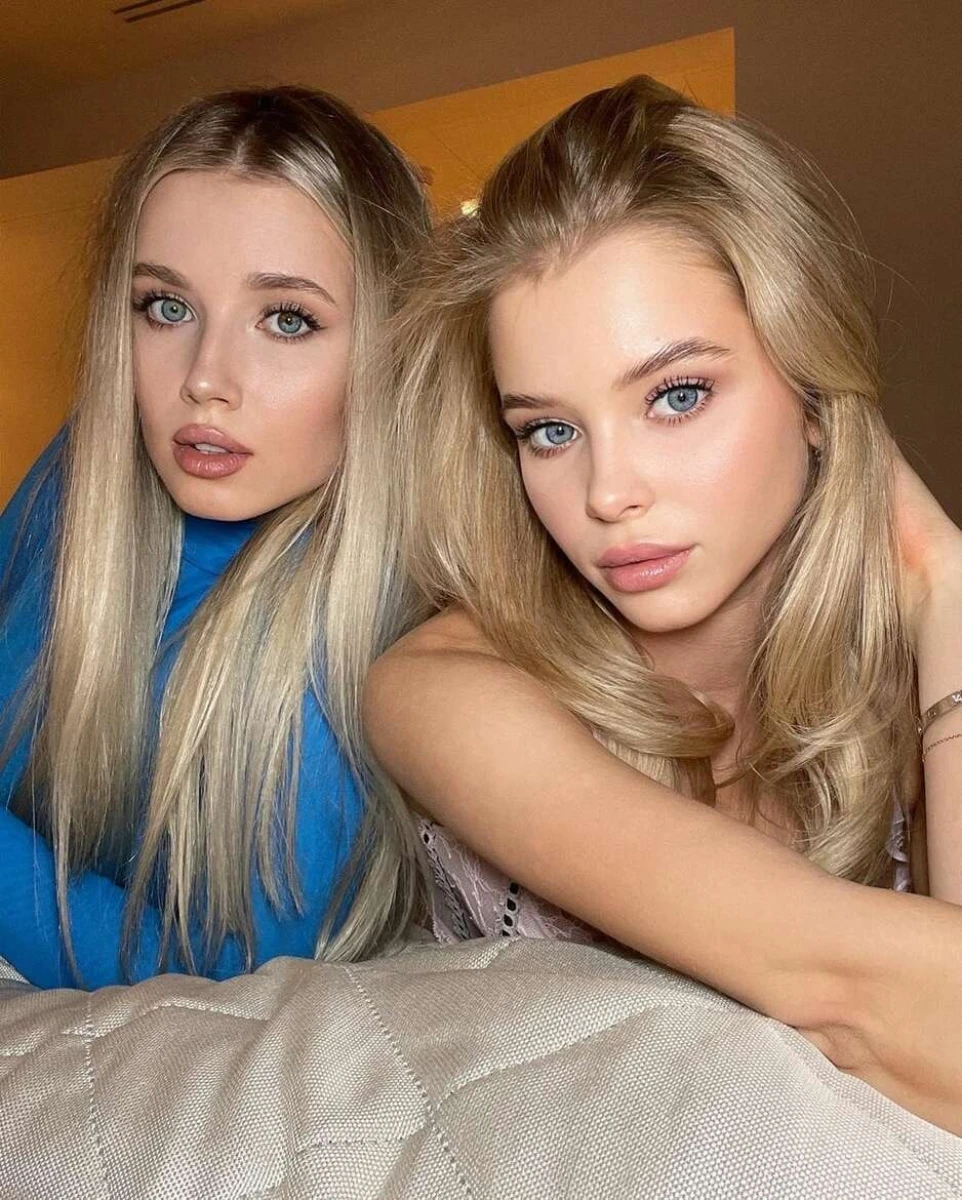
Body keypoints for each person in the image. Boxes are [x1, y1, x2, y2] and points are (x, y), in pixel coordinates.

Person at [365, 77, 962, 1132]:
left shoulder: (906, 658)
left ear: (813, 392)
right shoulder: (439, 693)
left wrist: (945, 583)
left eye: (675, 396)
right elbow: (883, 1009)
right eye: (548, 430)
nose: (606, 493)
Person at [0, 86, 430, 989]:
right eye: (165, 306)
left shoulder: (376, 635)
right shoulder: (77, 477)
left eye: (287, 319)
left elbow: (224, 975)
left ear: (391, 345)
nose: (205, 379)